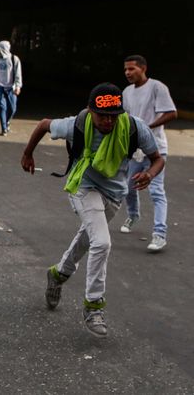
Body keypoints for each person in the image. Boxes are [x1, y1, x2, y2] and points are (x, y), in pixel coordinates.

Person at [21, 83, 163, 338]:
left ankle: (58, 273)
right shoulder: (77, 123)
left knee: (89, 239)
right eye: (102, 116)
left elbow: (158, 158)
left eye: (113, 115)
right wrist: (28, 154)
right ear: (90, 110)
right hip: (83, 186)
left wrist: (150, 174)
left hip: (114, 193)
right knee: (102, 242)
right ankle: (93, 306)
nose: (108, 121)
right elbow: (43, 124)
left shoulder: (133, 127)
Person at [120, 55, 177, 252]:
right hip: (135, 150)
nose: (128, 72)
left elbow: (171, 112)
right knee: (129, 186)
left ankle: (159, 234)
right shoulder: (127, 92)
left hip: (156, 149)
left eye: (132, 69)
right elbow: (124, 118)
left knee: (156, 191)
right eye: (126, 69)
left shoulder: (156, 87)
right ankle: (133, 215)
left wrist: (146, 127)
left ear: (143, 68)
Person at [0, 40, 22, 135]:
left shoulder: (14, 59)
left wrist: (18, 86)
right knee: (2, 107)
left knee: (13, 108)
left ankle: (7, 121)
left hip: (11, 88)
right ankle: (4, 128)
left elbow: (18, 74)